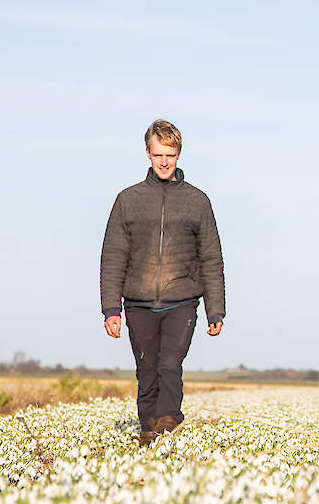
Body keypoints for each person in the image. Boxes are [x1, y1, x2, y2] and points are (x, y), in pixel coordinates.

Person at [100, 119, 226, 447]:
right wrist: (111, 307)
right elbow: (113, 256)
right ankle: (148, 431)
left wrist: (216, 310)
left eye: (170, 154)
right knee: (147, 370)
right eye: (158, 154)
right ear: (147, 153)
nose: (164, 161)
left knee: (170, 362)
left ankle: (169, 417)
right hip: (138, 300)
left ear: (179, 154)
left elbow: (211, 258)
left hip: (182, 300)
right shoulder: (128, 200)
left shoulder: (198, 201)